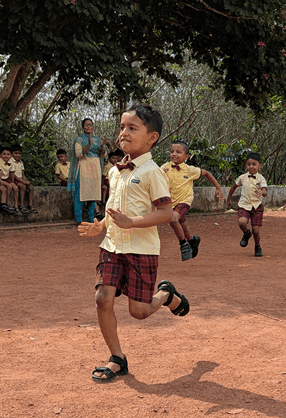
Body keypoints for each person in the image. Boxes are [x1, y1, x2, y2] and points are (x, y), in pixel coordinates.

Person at [78, 104, 189, 383]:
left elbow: (166, 213)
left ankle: (165, 294)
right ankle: (117, 358)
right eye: (122, 127)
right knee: (102, 299)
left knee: (139, 312)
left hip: (142, 250)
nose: (123, 133)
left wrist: (132, 222)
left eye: (132, 128)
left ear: (151, 138)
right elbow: (113, 209)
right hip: (112, 246)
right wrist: (100, 225)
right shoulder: (115, 171)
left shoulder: (153, 172)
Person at [160, 140, 224, 261]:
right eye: (172, 151)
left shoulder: (190, 170)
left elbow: (206, 173)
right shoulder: (164, 168)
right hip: (170, 202)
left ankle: (184, 245)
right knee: (181, 223)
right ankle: (192, 240)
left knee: (173, 219)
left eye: (178, 152)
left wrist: (218, 188)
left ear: (186, 156)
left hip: (184, 201)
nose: (174, 154)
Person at [225, 152, 268, 257]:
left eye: (254, 164)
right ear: (246, 166)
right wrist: (228, 199)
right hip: (244, 205)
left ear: (259, 166)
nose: (251, 166)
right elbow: (233, 188)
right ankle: (246, 233)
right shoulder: (242, 177)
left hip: (257, 206)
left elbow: (265, 191)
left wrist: (262, 192)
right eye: (249, 164)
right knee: (242, 222)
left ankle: (257, 246)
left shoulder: (261, 178)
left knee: (256, 230)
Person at [70, 118, 105, 222]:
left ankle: (91, 218)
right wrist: (88, 144)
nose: (89, 126)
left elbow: (103, 155)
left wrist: (102, 145)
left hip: (95, 168)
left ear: (93, 126)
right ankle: (79, 219)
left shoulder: (97, 140)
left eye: (90, 124)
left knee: (92, 194)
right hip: (84, 167)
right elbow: (79, 154)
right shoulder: (79, 139)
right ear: (83, 127)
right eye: (86, 125)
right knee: (80, 194)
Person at [10, 145, 36, 214]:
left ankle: (30, 205)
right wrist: (23, 182)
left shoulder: (21, 162)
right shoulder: (10, 161)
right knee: (22, 186)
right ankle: (21, 205)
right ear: (12, 153)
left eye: (19, 153)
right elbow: (13, 175)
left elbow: (23, 174)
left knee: (31, 187)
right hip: (14, 180)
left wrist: (26, 181)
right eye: (16, 153)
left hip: (21, 179)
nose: (17, 155)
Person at [0, 146, 19, 215]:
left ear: (11, 156)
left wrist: (12, 182)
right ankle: (5, 204)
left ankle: (16, 206)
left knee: (16, 188)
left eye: (8, 154)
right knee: (9, 186)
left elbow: (12, 173)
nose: (6, 156)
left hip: (7, 178)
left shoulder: (11, 162)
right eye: (4, 154)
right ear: (0, 155)